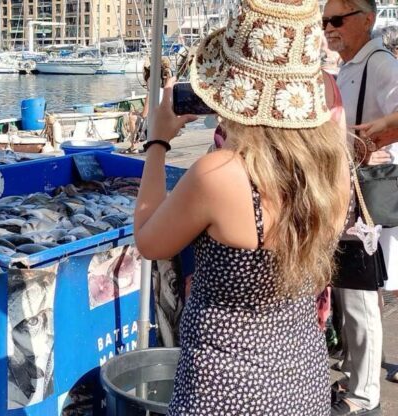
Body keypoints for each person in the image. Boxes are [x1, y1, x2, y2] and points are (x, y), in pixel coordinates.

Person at [134, 0, 351, 414]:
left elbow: (148, 240)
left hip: (225, 391)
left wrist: (157, 143)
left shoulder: (220, 174)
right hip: (302, 380)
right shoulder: (331, 167)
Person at [325, 0, 398, 412]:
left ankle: (365, 393)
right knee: (348, 294)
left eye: (336, 20)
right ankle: (356, 378)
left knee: (360, 296)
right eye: (324, 21)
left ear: (366, 20)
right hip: (344, 196)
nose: (328, 28)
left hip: (364, 201)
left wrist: (380, 138)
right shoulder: (350, 67)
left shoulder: (381, 64)